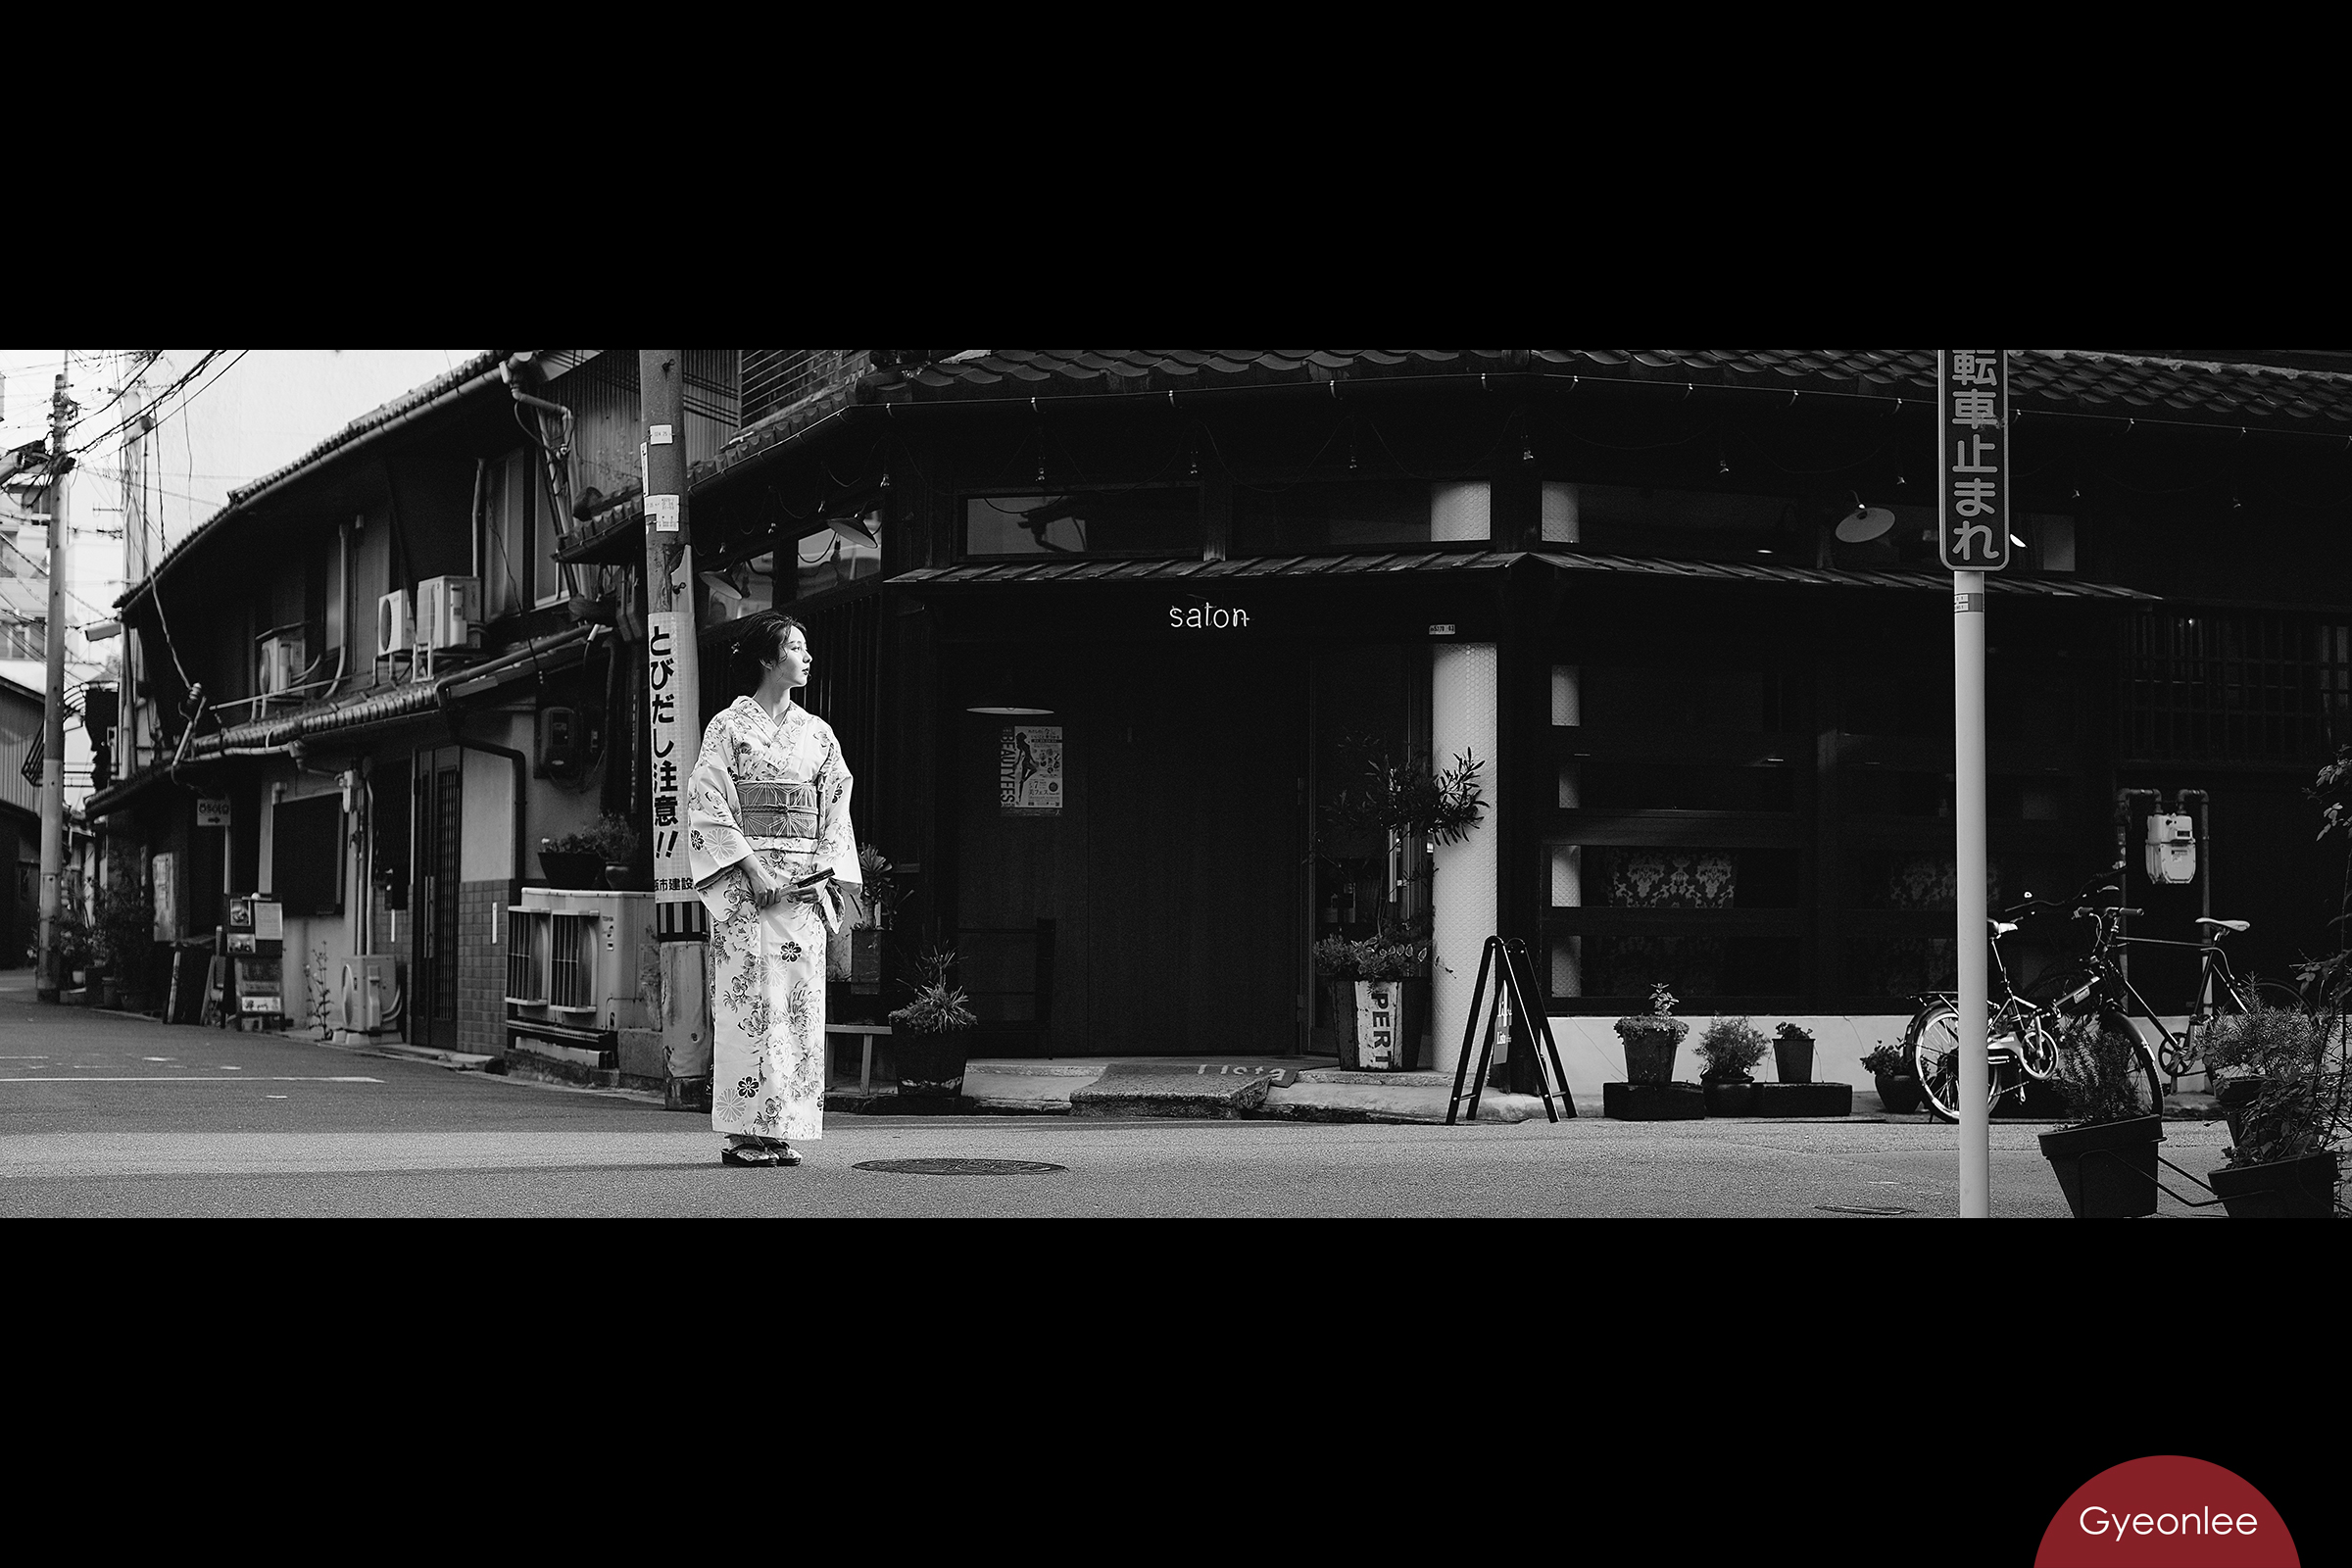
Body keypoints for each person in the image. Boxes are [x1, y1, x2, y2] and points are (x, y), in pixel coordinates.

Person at [686, 612, 862, 1167]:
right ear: (768, 659)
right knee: (748, 1007)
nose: (807, 658)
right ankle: (744, 1133)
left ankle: (781, 1127)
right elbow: (707, 801)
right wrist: (753, 869)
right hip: (749, 890)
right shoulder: (727, 727)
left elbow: (836, 807)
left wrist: (822, 876)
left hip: (802, 894)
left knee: (797, 1008)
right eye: (796, 648)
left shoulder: (818, 734)